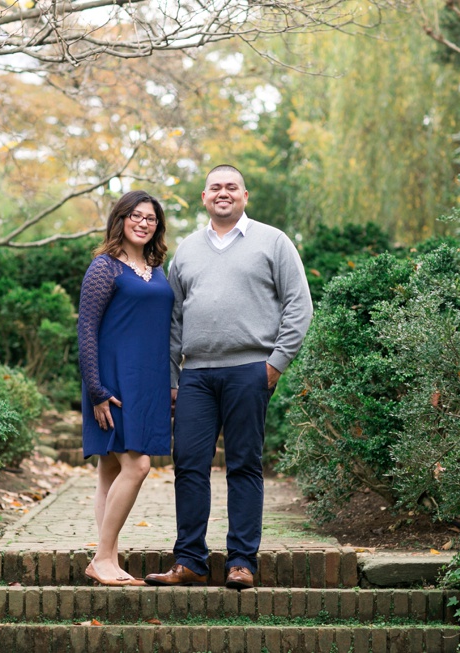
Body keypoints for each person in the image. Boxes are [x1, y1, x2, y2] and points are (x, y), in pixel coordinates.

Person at [145, 165, 313, 590]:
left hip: (249, 371)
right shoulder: (185, 251)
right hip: (196, 376)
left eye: (231, 187)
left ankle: (242, 561)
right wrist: (172, 379)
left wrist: (275, 364)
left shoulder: (273, 241)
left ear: (245, 195)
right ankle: (190, 561)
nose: (223, 193)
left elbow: (299, 305)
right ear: (204, 197)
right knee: (189, 466)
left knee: (243, 465)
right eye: (216, 187)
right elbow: (173, 321)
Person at [77, 190, 174, 587]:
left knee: (111, 470)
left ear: (157, 226)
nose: (143, 222)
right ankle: (101, 558)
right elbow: (86, 329)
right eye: (136, 215)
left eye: (151, 218)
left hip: (148, 381)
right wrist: (97, 390)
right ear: (120, 219)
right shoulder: (105, 268)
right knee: (137, 465)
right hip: (113, 382)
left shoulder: (157, 268)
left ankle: (111, 561)